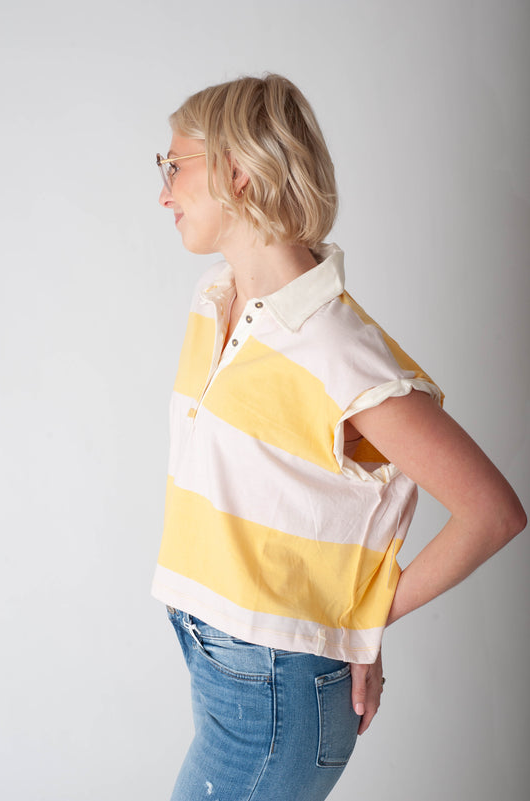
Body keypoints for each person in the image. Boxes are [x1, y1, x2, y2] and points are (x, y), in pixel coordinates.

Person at [151, 74, 526, 801]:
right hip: (218, 662)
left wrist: (359, 623)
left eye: (175, 166)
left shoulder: (333, 348)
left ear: (238, 169)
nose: (163, 192)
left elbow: (492, 511)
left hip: (272, 686)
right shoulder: (215, 301)